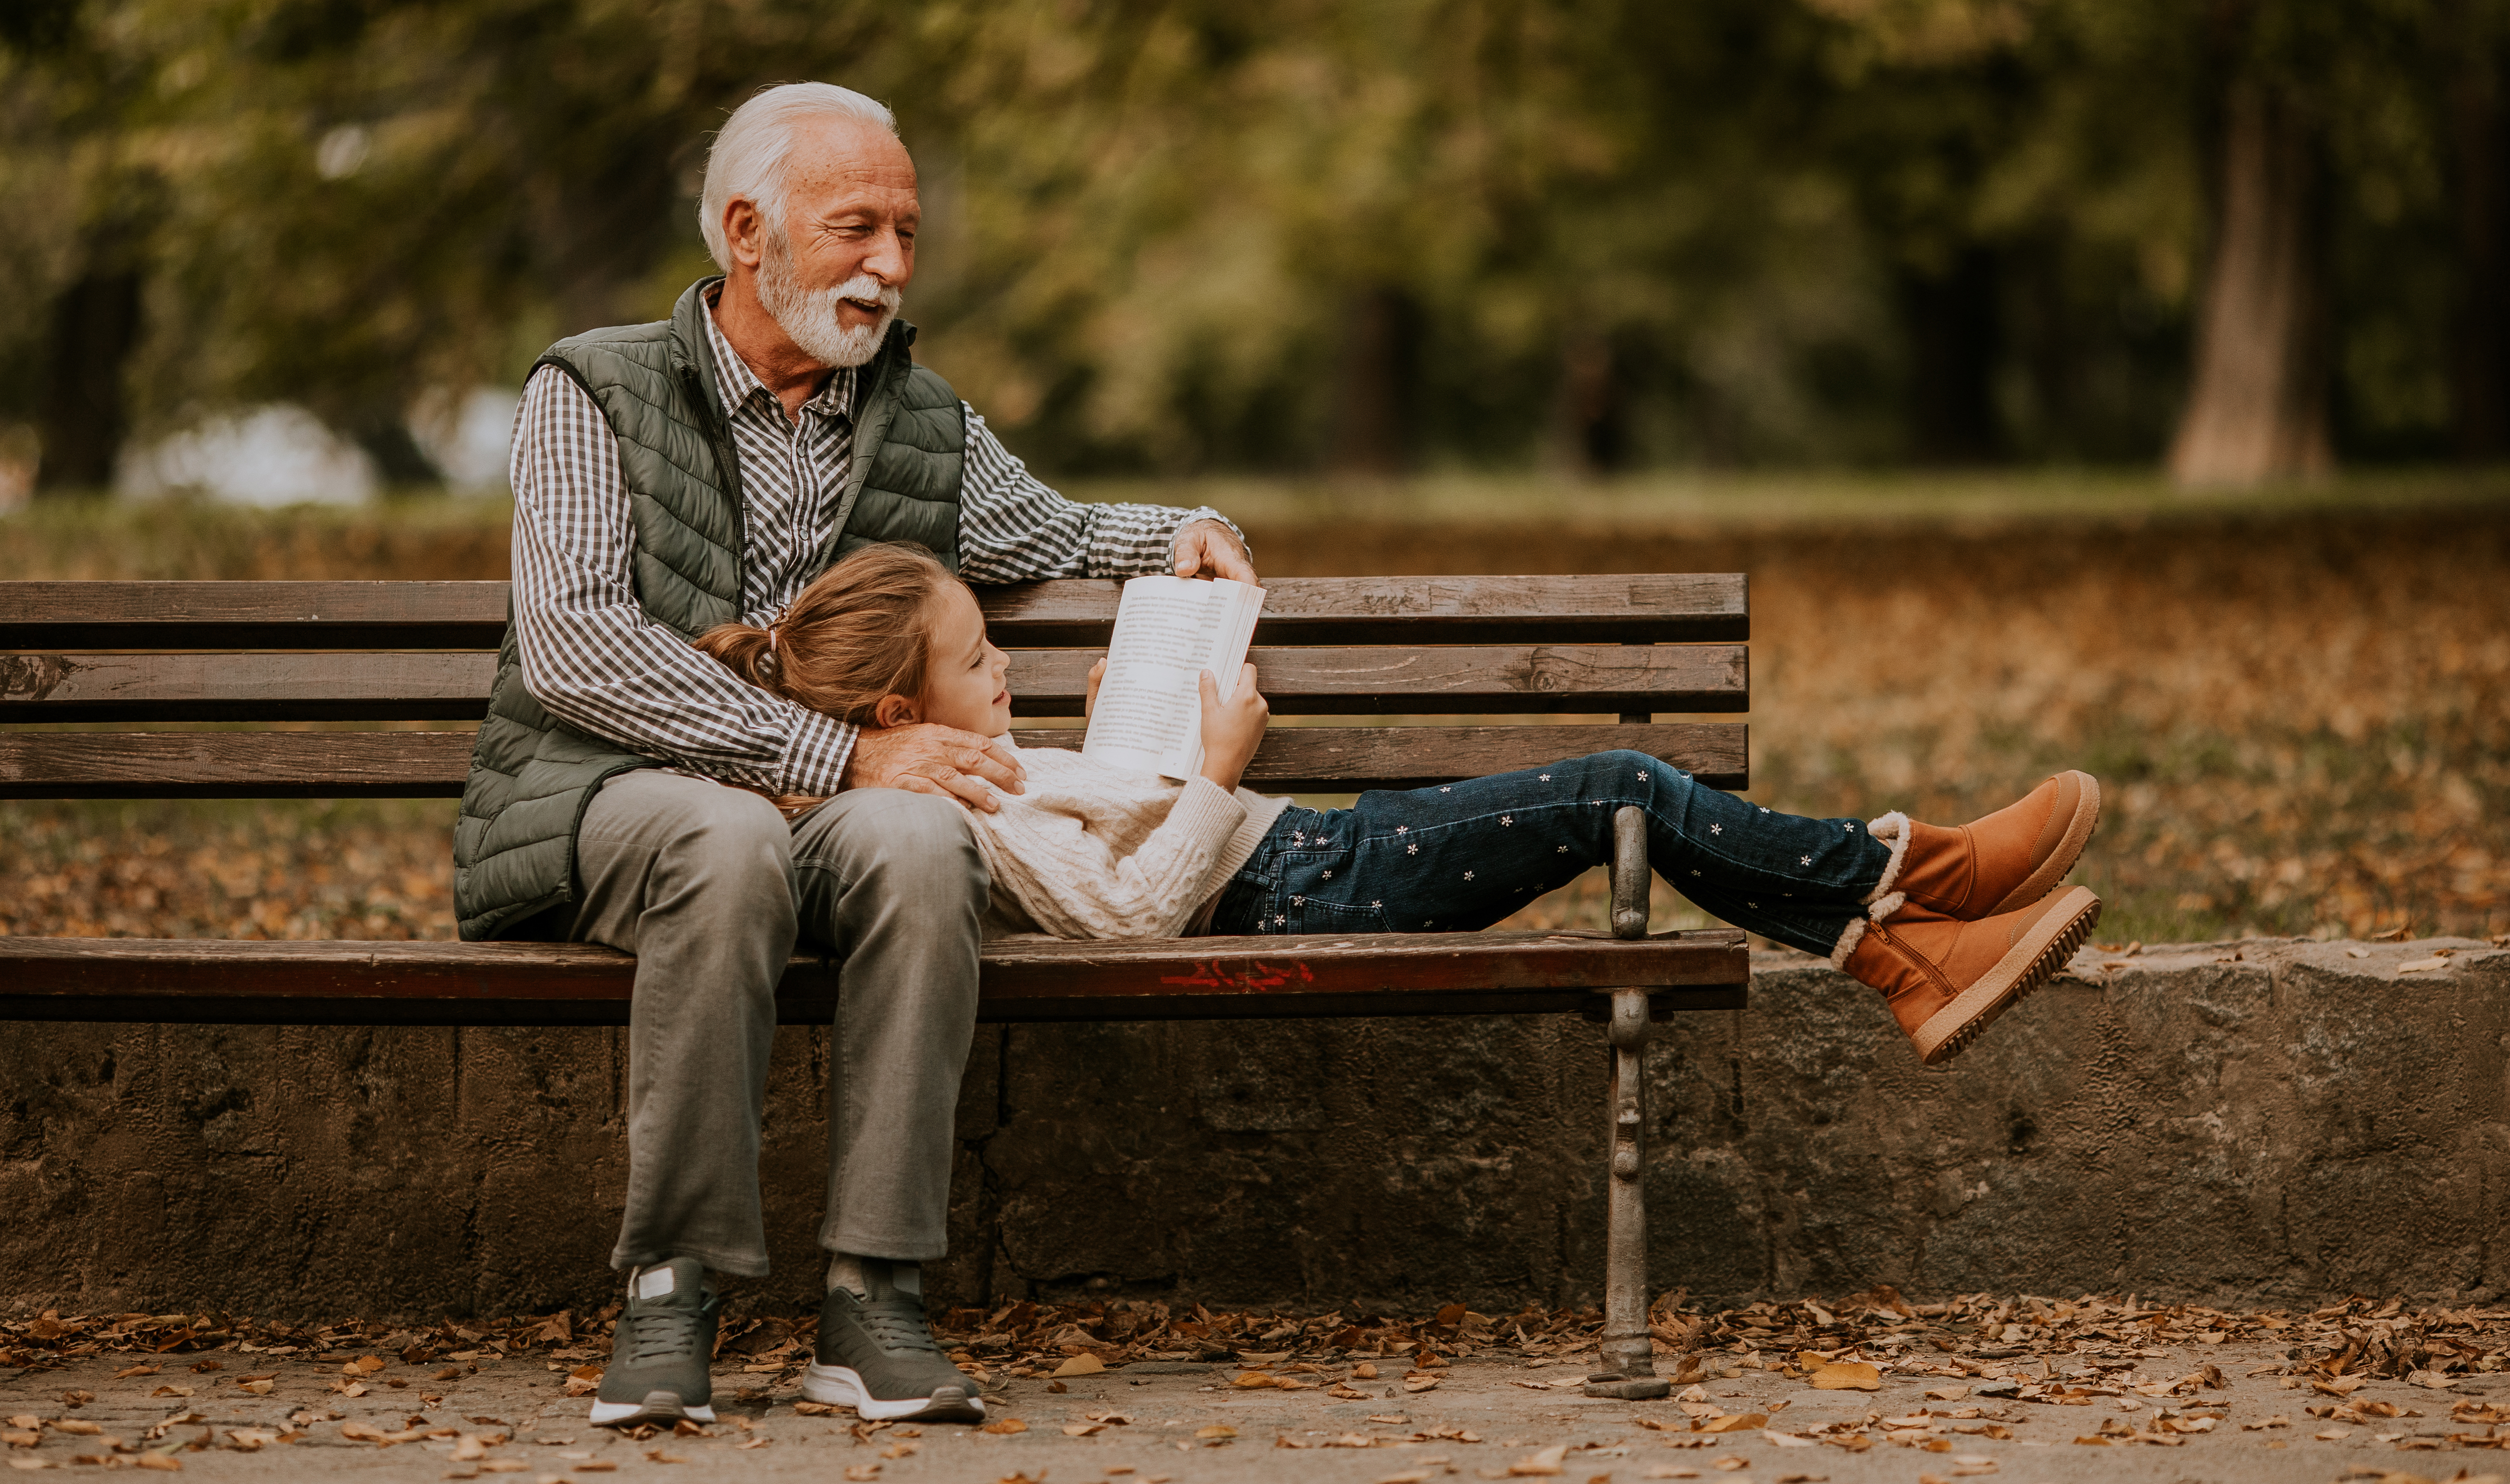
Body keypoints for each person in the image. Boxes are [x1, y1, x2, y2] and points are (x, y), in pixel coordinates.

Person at [451, 82, 1256, 1429]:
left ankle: (872, 1296)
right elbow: (578, 648)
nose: (888, 265)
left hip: (823, 811)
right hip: (604, 797)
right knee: (729, 834)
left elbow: (1046, 532)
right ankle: (671, 1287)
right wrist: (830, 750)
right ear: (746, 232)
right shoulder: (590, 388)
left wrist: (1178, 528)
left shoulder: (917, 416)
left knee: (923, 836)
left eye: (905, 231)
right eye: (854, 229)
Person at [697, 543, 2108, 1074]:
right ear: (892, 718)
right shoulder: (945, 819)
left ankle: (1904, 939)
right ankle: (1907, 883)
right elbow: (1126, 913)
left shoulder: (967, 773)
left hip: (1306, 856)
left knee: (1614, 796)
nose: (1005, 669)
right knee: (1615, 786)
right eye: (977, 662)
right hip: (1291, 883)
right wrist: (1215, 772)